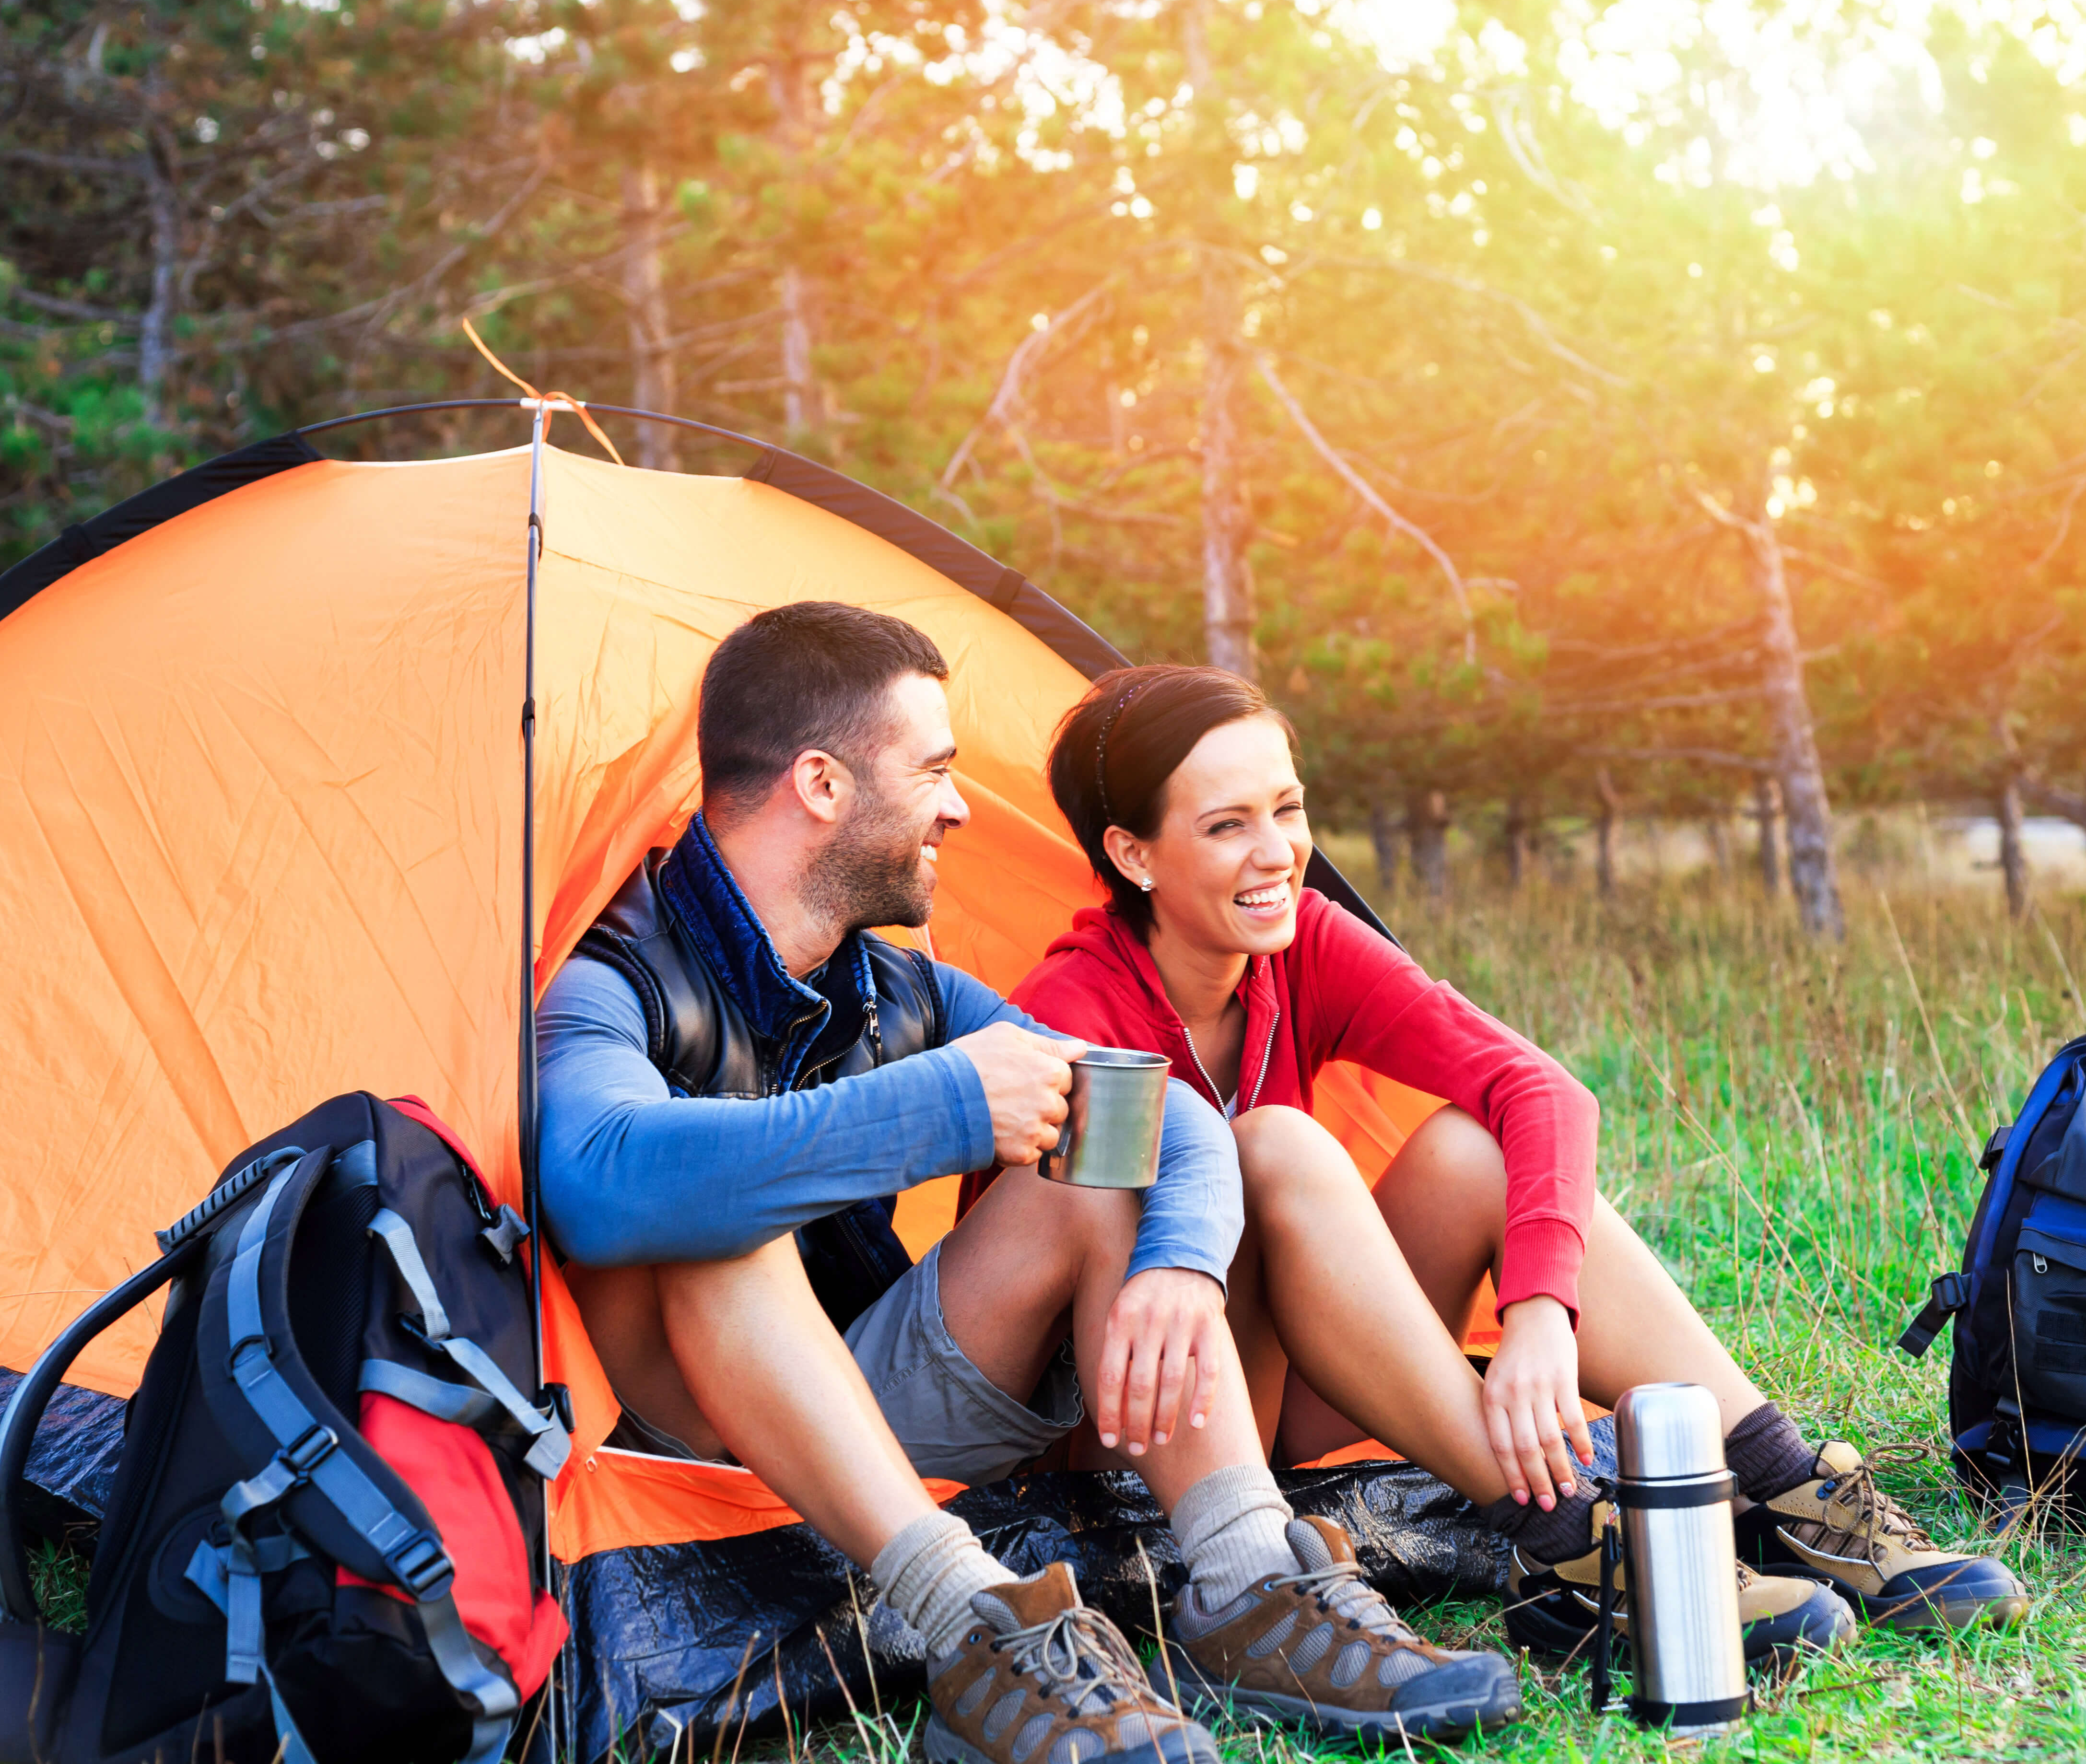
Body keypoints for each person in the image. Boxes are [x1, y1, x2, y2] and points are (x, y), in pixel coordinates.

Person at [535, 605, 1521, 1762]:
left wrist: (1182, 1268)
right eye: (936, 771)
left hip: (869, 1393)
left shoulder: (898, 989)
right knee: (716, 1211)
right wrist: (948, 1103)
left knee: (1101, 1159)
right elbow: (595, 1179)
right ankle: (974, 1626)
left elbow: (1180, 1128)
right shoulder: (615, 978)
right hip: (689, 1460)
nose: (959, 805)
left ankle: (1248, 1582)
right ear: (821, 784)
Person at [1010, 664, 2032, 1663]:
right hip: (1142, 1434)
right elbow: (1082, 1294)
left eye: (1288, 806)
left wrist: (1540, 1308)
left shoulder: (1299, 946)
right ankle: (1571, 1548)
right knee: (1273, 1144)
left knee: (1469, 1147)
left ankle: (1783, 1488)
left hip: (1286, 1400)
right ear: (1132, 854)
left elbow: (1539, 1087)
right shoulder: (1075, 1009)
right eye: (1227, 824)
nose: (1278, 850)